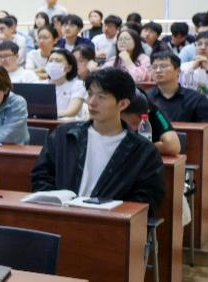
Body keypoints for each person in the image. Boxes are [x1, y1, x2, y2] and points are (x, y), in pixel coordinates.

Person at [32, 68, 164, 207]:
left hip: (110, 218)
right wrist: (54, 204)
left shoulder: (143, 150)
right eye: (90, 94)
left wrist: (113, 209)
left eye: (102, 97)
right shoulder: (64, 135)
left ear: (123, 104)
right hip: (62, 213)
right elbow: (41, 175)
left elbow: (148, 196)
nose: (92, 102)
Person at [143, 51, 208, 122]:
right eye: (154, 67)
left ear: (178, 71)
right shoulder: (145, 98)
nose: (158, 70)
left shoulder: (196, 99)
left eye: (163, 66)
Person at [122, 91, 181, 157]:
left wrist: (140, 147)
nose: (135, 128)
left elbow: (173, 146)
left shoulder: (154, 112)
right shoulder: (115, 113)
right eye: (131, 123)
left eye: (135, 123)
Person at [46, 49, 87, 120]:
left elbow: (71, 112)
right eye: (50, 61)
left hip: (67, 124)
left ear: (69, 68)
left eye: (58, 61)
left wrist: (46, 114)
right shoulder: (40, 84)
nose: (53, 64)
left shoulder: (78, 85)